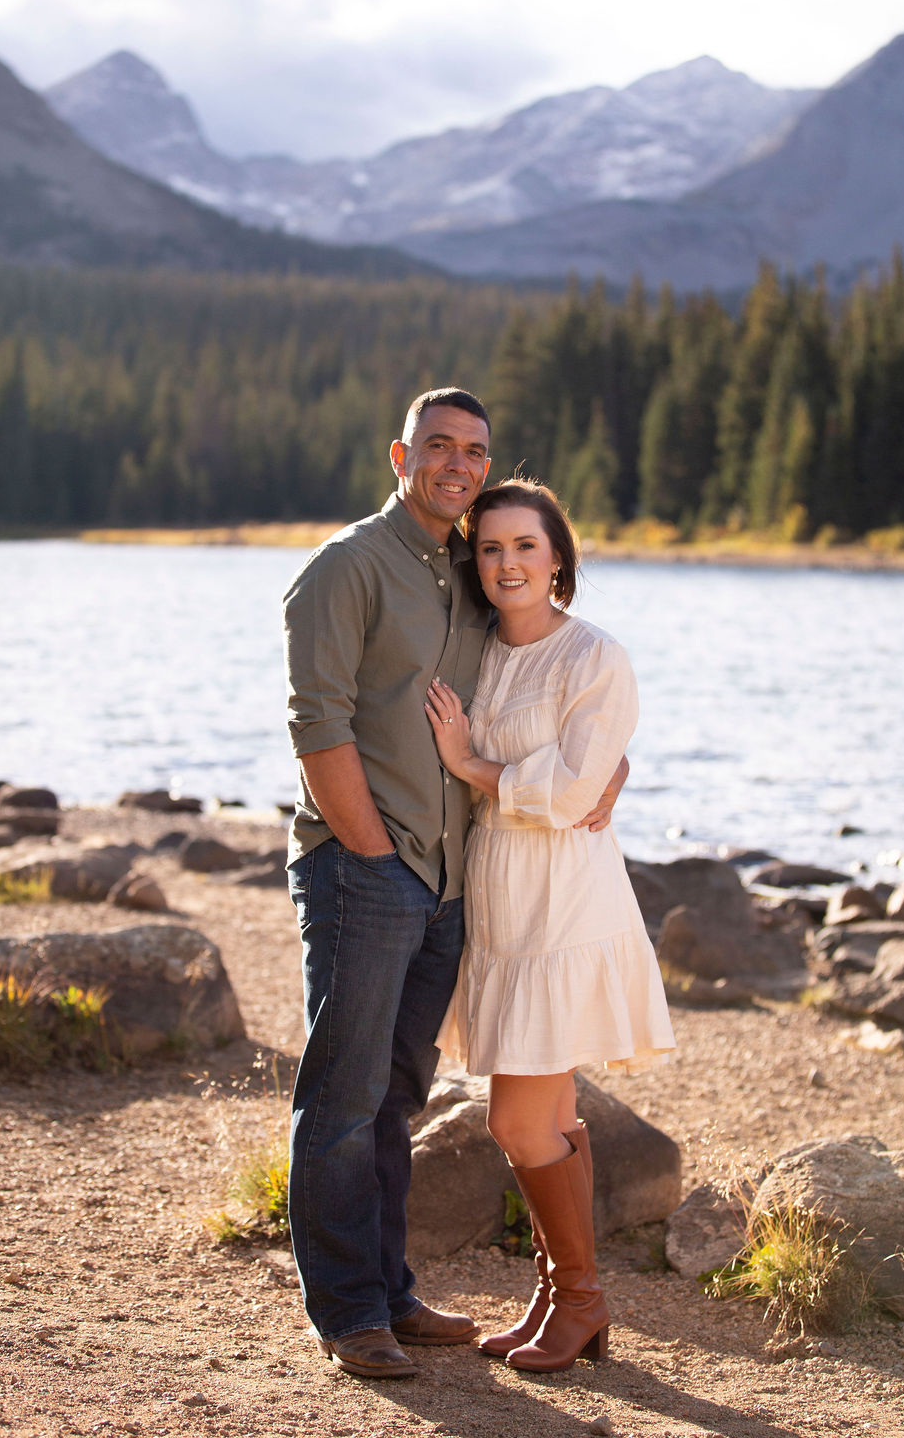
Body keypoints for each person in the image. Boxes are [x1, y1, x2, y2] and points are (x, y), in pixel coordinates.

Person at [282, 392, 626, 1381]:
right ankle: (349, 1314)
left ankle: (390, 1292)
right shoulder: (346, 566)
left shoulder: (473, 574)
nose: (457, 464)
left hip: (451, 882)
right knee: (344, 1096)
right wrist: (373, 855)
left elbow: (553, 694)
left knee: (396, 1092)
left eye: (474, 451)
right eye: (438, 446)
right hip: (369, 868)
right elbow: (318, 724)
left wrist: (612, 770)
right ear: (401, 453)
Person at [424, 477, 675, 1374]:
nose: (506, 564)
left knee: (518, 1124)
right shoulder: (474, 650)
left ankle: (581, 1301)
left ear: (558, 555)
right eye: (489, 549)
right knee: (552, 1115)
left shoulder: (594, 655)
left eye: (525, 546)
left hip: (564, 901)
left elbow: (572, 794)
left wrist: (474, 764)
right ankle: (565, 1301)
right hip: (495, 896)